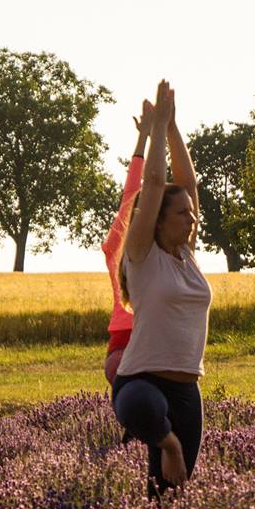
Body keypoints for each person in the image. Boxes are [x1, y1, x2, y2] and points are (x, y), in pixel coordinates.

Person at [112, 81, 209, 493]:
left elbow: (189, 183)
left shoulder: (186, 255)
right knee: (141, 408)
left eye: (191, 213)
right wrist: (155, 133)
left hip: (188, 387)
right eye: (183, 213)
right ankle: (164, 440)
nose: (192, 218)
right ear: (159, 219)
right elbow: (154, 185)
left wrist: (172, 127)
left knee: (173, 491)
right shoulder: (142, 255)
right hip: (142, 382)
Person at [101, 104, 152, 385]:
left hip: (119, 349)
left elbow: (132, 190)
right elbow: (135, 190)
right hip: (146, 345)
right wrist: (151, 136)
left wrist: (145, 137)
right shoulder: (155, 247)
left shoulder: (118, 243)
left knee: (134, 413)